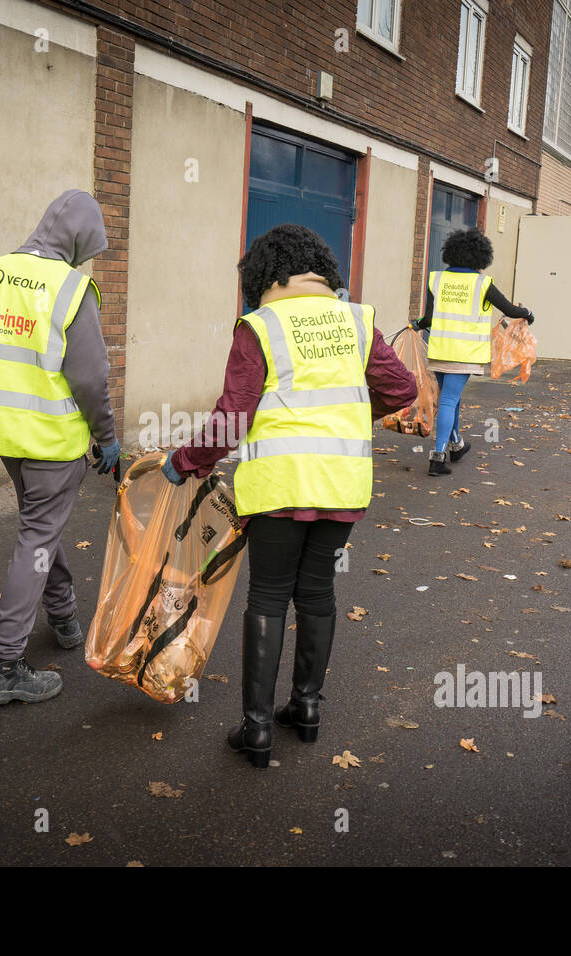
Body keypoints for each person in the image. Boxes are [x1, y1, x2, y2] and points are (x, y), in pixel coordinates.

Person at [162, 224, 416, 768]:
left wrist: (186, 461)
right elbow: (402, 389)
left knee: (270, 596)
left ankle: (256, 730)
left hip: (279, 485)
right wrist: (346, 419)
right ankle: (306, 709)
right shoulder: (357, 319)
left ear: (264, 275)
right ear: (319, 267)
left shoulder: (260, 325)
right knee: (318, 591)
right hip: (343, 482)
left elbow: (233, 416)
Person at [0, 189, 119, 705]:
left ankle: (64, 615)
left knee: (40, 529)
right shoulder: (71, 288)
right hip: (53, 442)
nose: (88, 260)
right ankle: (3, 664)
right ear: (77, 242)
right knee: (39, 537)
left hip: (5, 438)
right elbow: (92, 378)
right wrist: (107, 437)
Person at [414, 227, 533, 476]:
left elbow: (430, 318)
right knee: (448, 400)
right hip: (465, 353)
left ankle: (456, 446)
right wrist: (527, 313)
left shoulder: (437, 279)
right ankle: (437, 457)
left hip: (440, 350)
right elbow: (510, 310)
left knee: (451, 399)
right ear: (481, 257)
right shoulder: (482, 283)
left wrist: (418, 324)